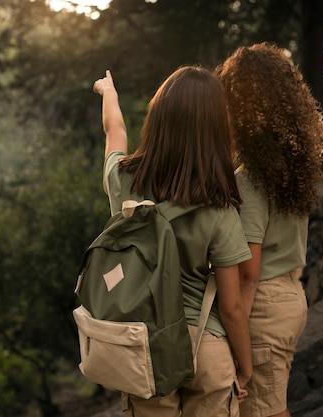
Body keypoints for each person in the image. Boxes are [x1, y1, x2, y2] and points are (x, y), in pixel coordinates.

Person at [93, 66, 253, 417]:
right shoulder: (219, 206)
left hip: (146, 348)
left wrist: (109, 92)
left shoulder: (125, 182)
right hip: (204, 349)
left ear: (158, 119)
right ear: (215, 130)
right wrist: (246, 366)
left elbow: (114, 130)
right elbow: (231, 306)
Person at [215, 43, 323, 417]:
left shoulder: (250, 180)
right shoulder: (290, 170)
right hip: (291, 296)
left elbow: (248, 274)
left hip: (262, 306)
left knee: (264, 412)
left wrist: (238, 349)